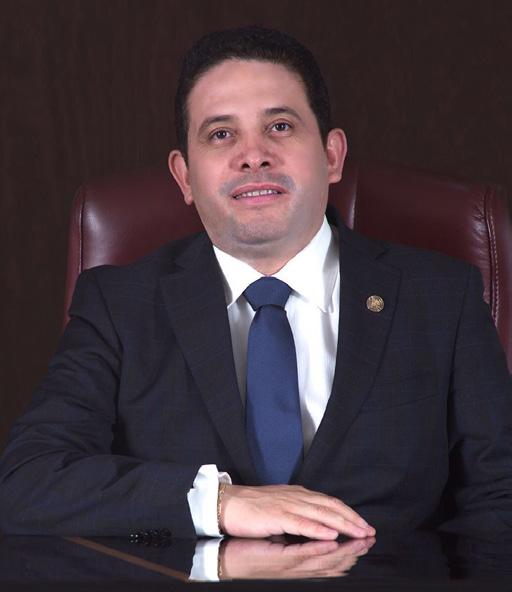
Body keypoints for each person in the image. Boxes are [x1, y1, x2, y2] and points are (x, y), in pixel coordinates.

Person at [1, 26, 512, 544]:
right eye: (221, 134)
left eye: (280, 126)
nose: (253, 155)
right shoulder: (118, 306)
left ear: (332, 156)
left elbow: (501, 499)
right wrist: (218, 503)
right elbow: (26, 482)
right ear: (184, 176)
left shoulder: (441, 297)